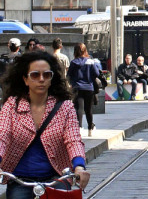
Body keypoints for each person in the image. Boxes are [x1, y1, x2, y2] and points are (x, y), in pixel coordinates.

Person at [0, 51, 90, 197]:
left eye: (46, 75)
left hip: (56, 176)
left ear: (51, 79)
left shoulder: (64, 106)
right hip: (21, 179)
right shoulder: (12, 105)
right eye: (35, 75)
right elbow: (2, 135)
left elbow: (73, 140)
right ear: (25, 79)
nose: (41, 79)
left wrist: (79, 166)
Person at [67, 43, 100, 136]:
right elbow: (96, 73)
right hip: (89, 87)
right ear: (85, 51)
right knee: (88, 109)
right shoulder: (90, 61)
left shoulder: (73, 62)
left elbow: (69, 75)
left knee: (79, 108)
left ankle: (79, 128)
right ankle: (90, 128)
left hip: (77, 87)